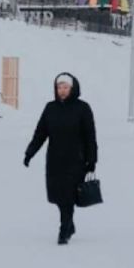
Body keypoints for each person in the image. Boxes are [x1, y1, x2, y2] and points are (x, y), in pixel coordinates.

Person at [24, 72, 98, 245]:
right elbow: (40, 133)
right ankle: (69, 224)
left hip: (76, 160)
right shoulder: (50, 108)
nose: (62, 91)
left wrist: (92, 160)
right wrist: (30, 152)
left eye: (66, 87)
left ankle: (64, 228)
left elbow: (90, 136)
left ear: (73, 89)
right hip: (55, 160)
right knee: (58, 196)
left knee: (68, 196)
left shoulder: (83, 108)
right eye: (59, 87)